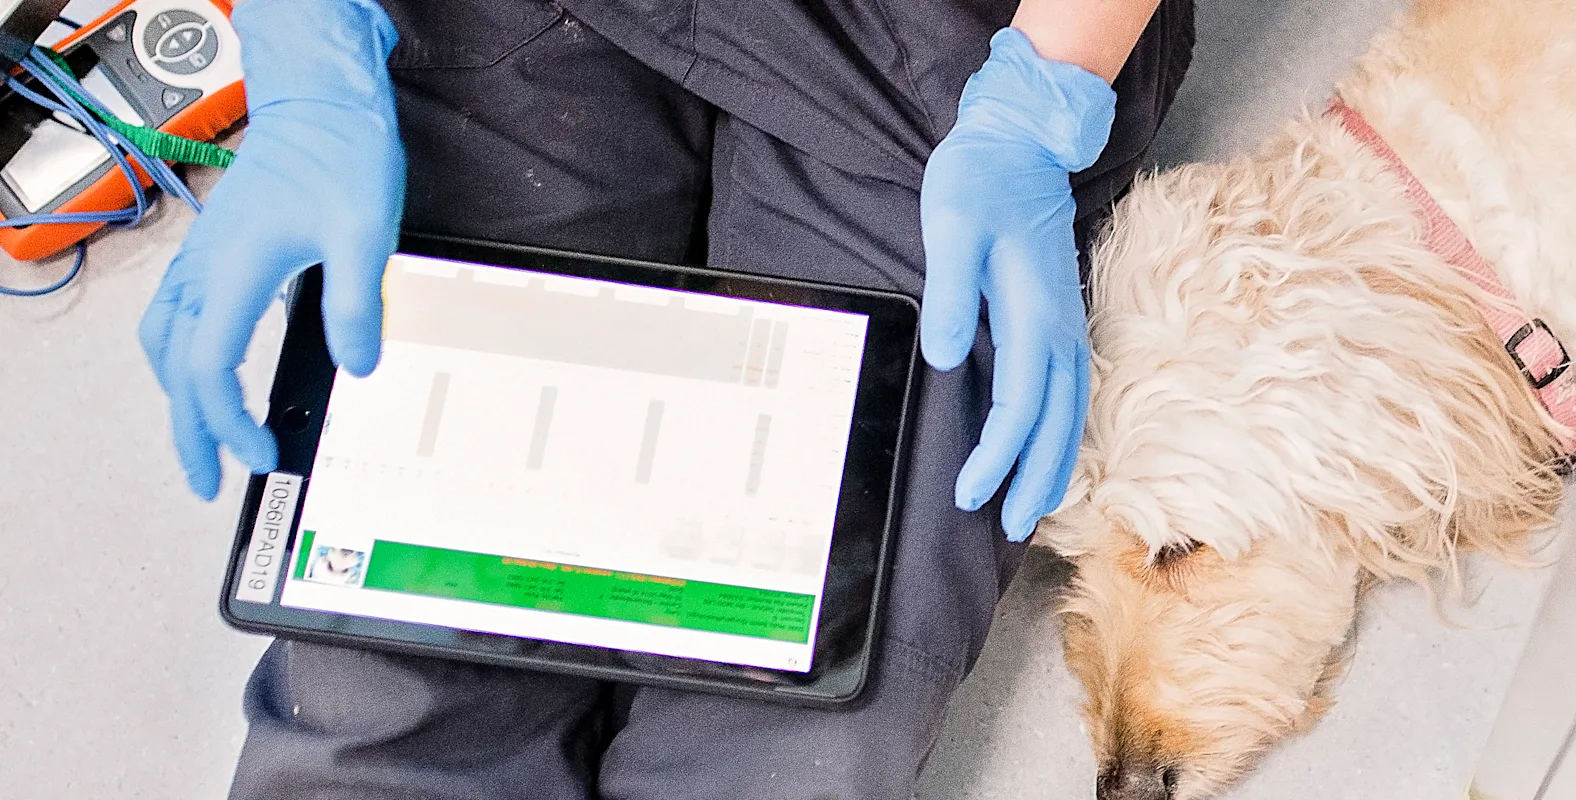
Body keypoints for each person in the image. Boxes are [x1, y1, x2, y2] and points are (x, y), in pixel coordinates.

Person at [133, 0, 1191, 795]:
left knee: (789, 698)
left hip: (935, 64)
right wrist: (306, 60)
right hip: (511, 24)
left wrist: (1042, 96)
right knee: (390, 688)